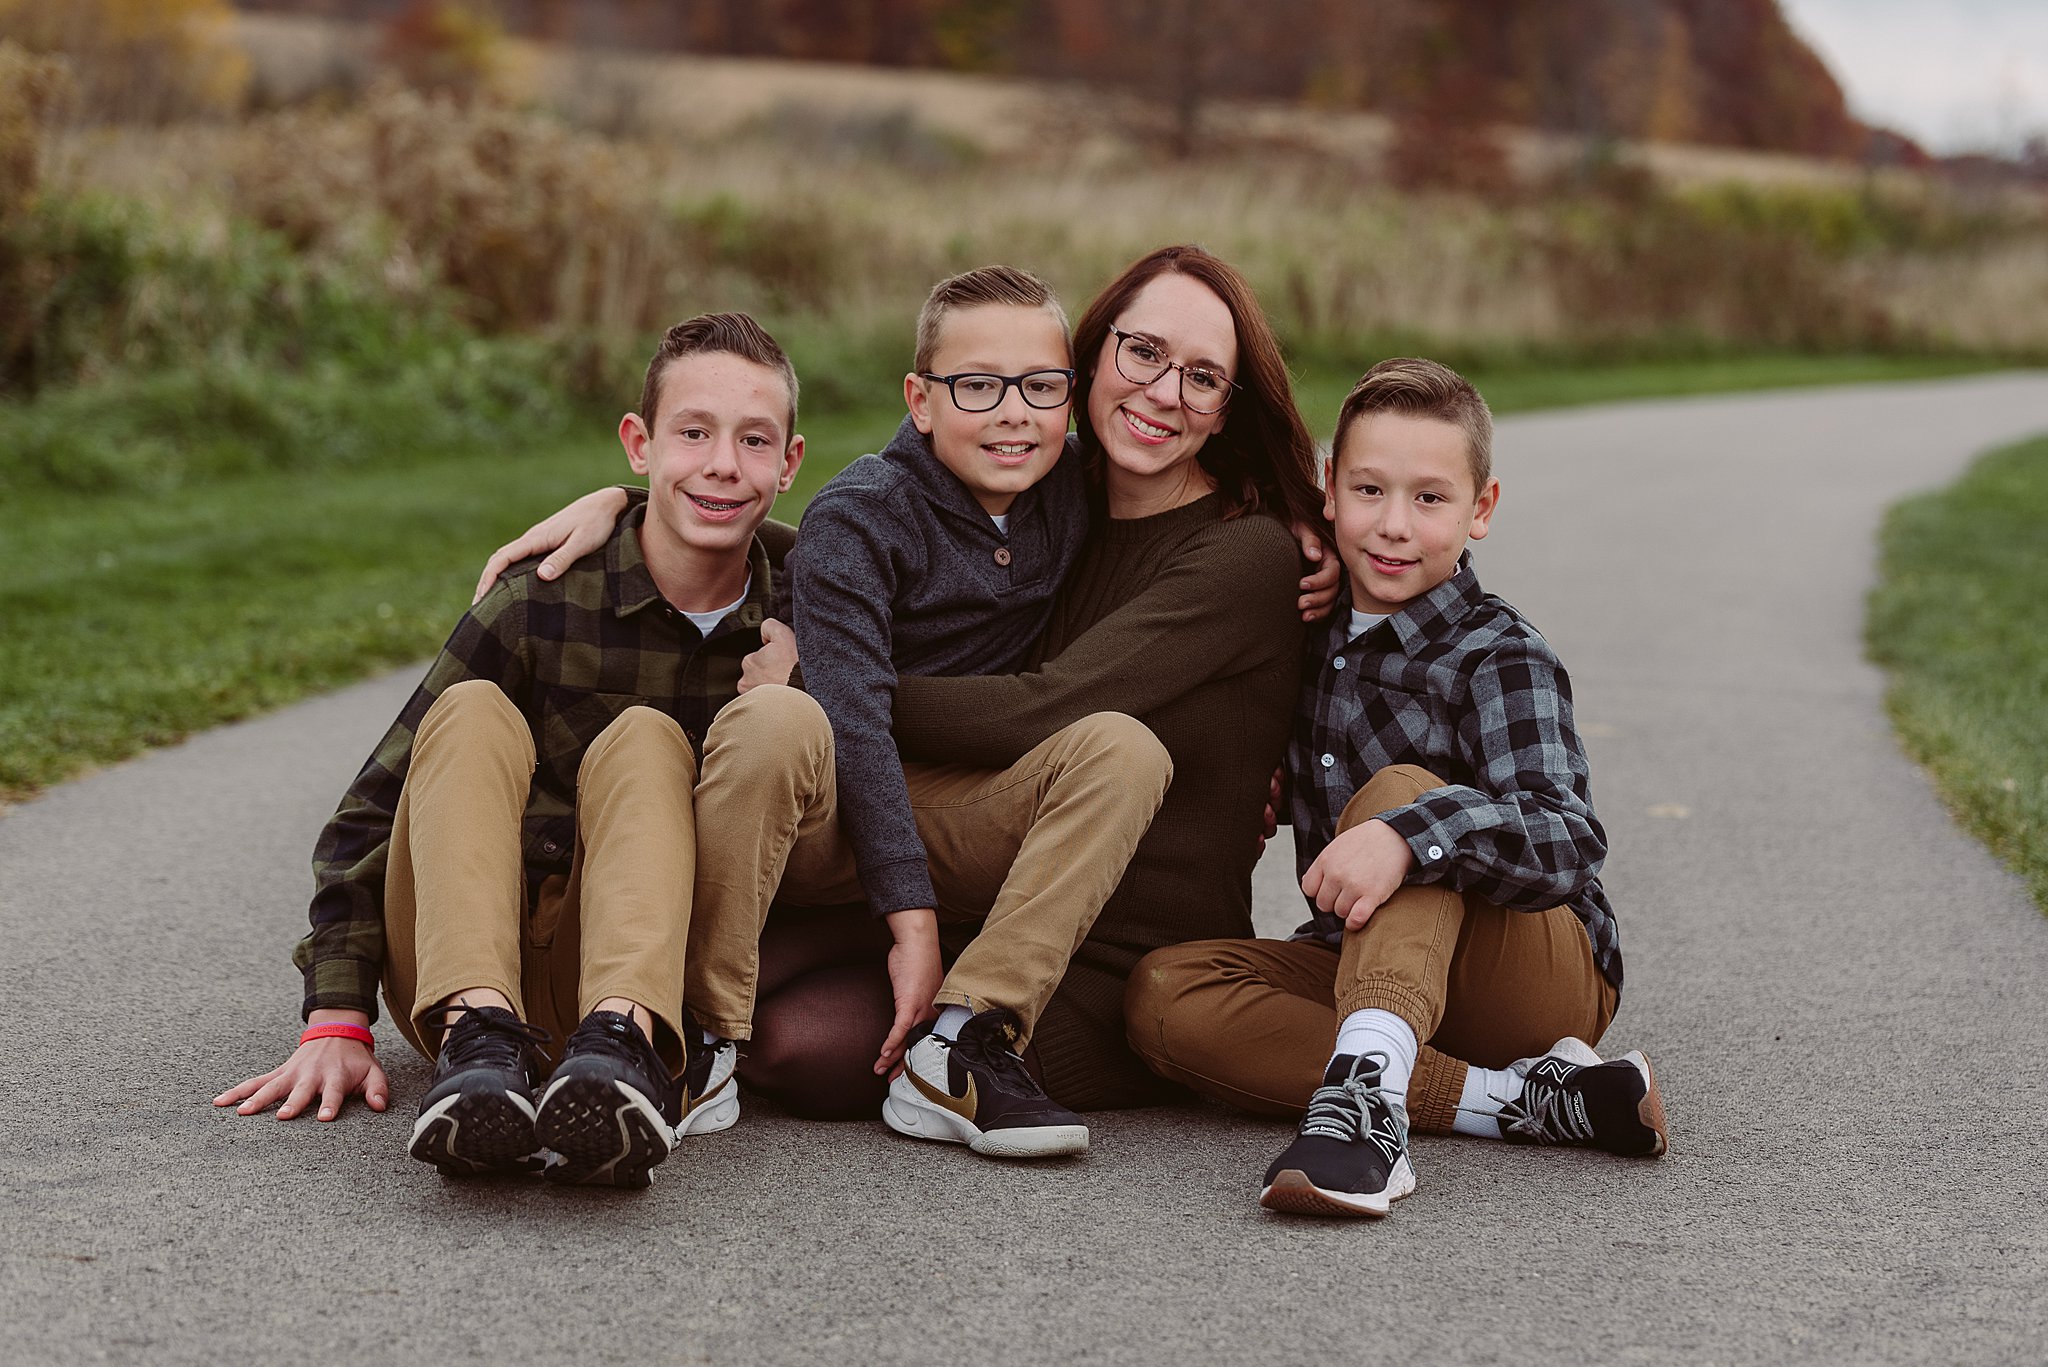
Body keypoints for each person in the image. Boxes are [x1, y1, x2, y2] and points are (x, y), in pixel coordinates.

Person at [479, 245, 1334, 1114]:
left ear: (1231, 407)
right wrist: (631, 507)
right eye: (1143, 352)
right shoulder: (1060, 479)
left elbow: (1044, 710)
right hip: (983, 885)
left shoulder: (1249, 550)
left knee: (813, 1051)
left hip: (1125, 946)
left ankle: (955, 1037)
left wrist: (831, 678)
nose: (1162, 393)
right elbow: (886, 522)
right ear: (1090, 363)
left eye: (1202, 376)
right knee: (772, 1028)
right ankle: (623, 1034)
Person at [214, 312, 831, 1189]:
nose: (723, 464)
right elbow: (369, 812)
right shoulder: (540, 596)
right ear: (639, 443)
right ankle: (479, 1048)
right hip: (470, 953)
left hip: (630, 971)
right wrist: (337, 1015)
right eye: (693, 432)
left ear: (790, 462)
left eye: (753, 440)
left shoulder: (812, 598)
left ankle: (620, 1048)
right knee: (467, 710)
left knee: (647, 740)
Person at [1124, 358, 1665, 1220]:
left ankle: (1369, 1119)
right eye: (1369, 490)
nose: (1393, 526)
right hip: (1365, 961)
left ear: (1480, 510)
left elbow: (1569, 835)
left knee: (1405, 794)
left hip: (1534, 974)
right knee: (1163, 995)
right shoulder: (1305, 634)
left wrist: (1408, 832)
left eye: (1430, 498)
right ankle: (1518, 1101)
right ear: (1329, 490)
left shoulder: (1499, 652)